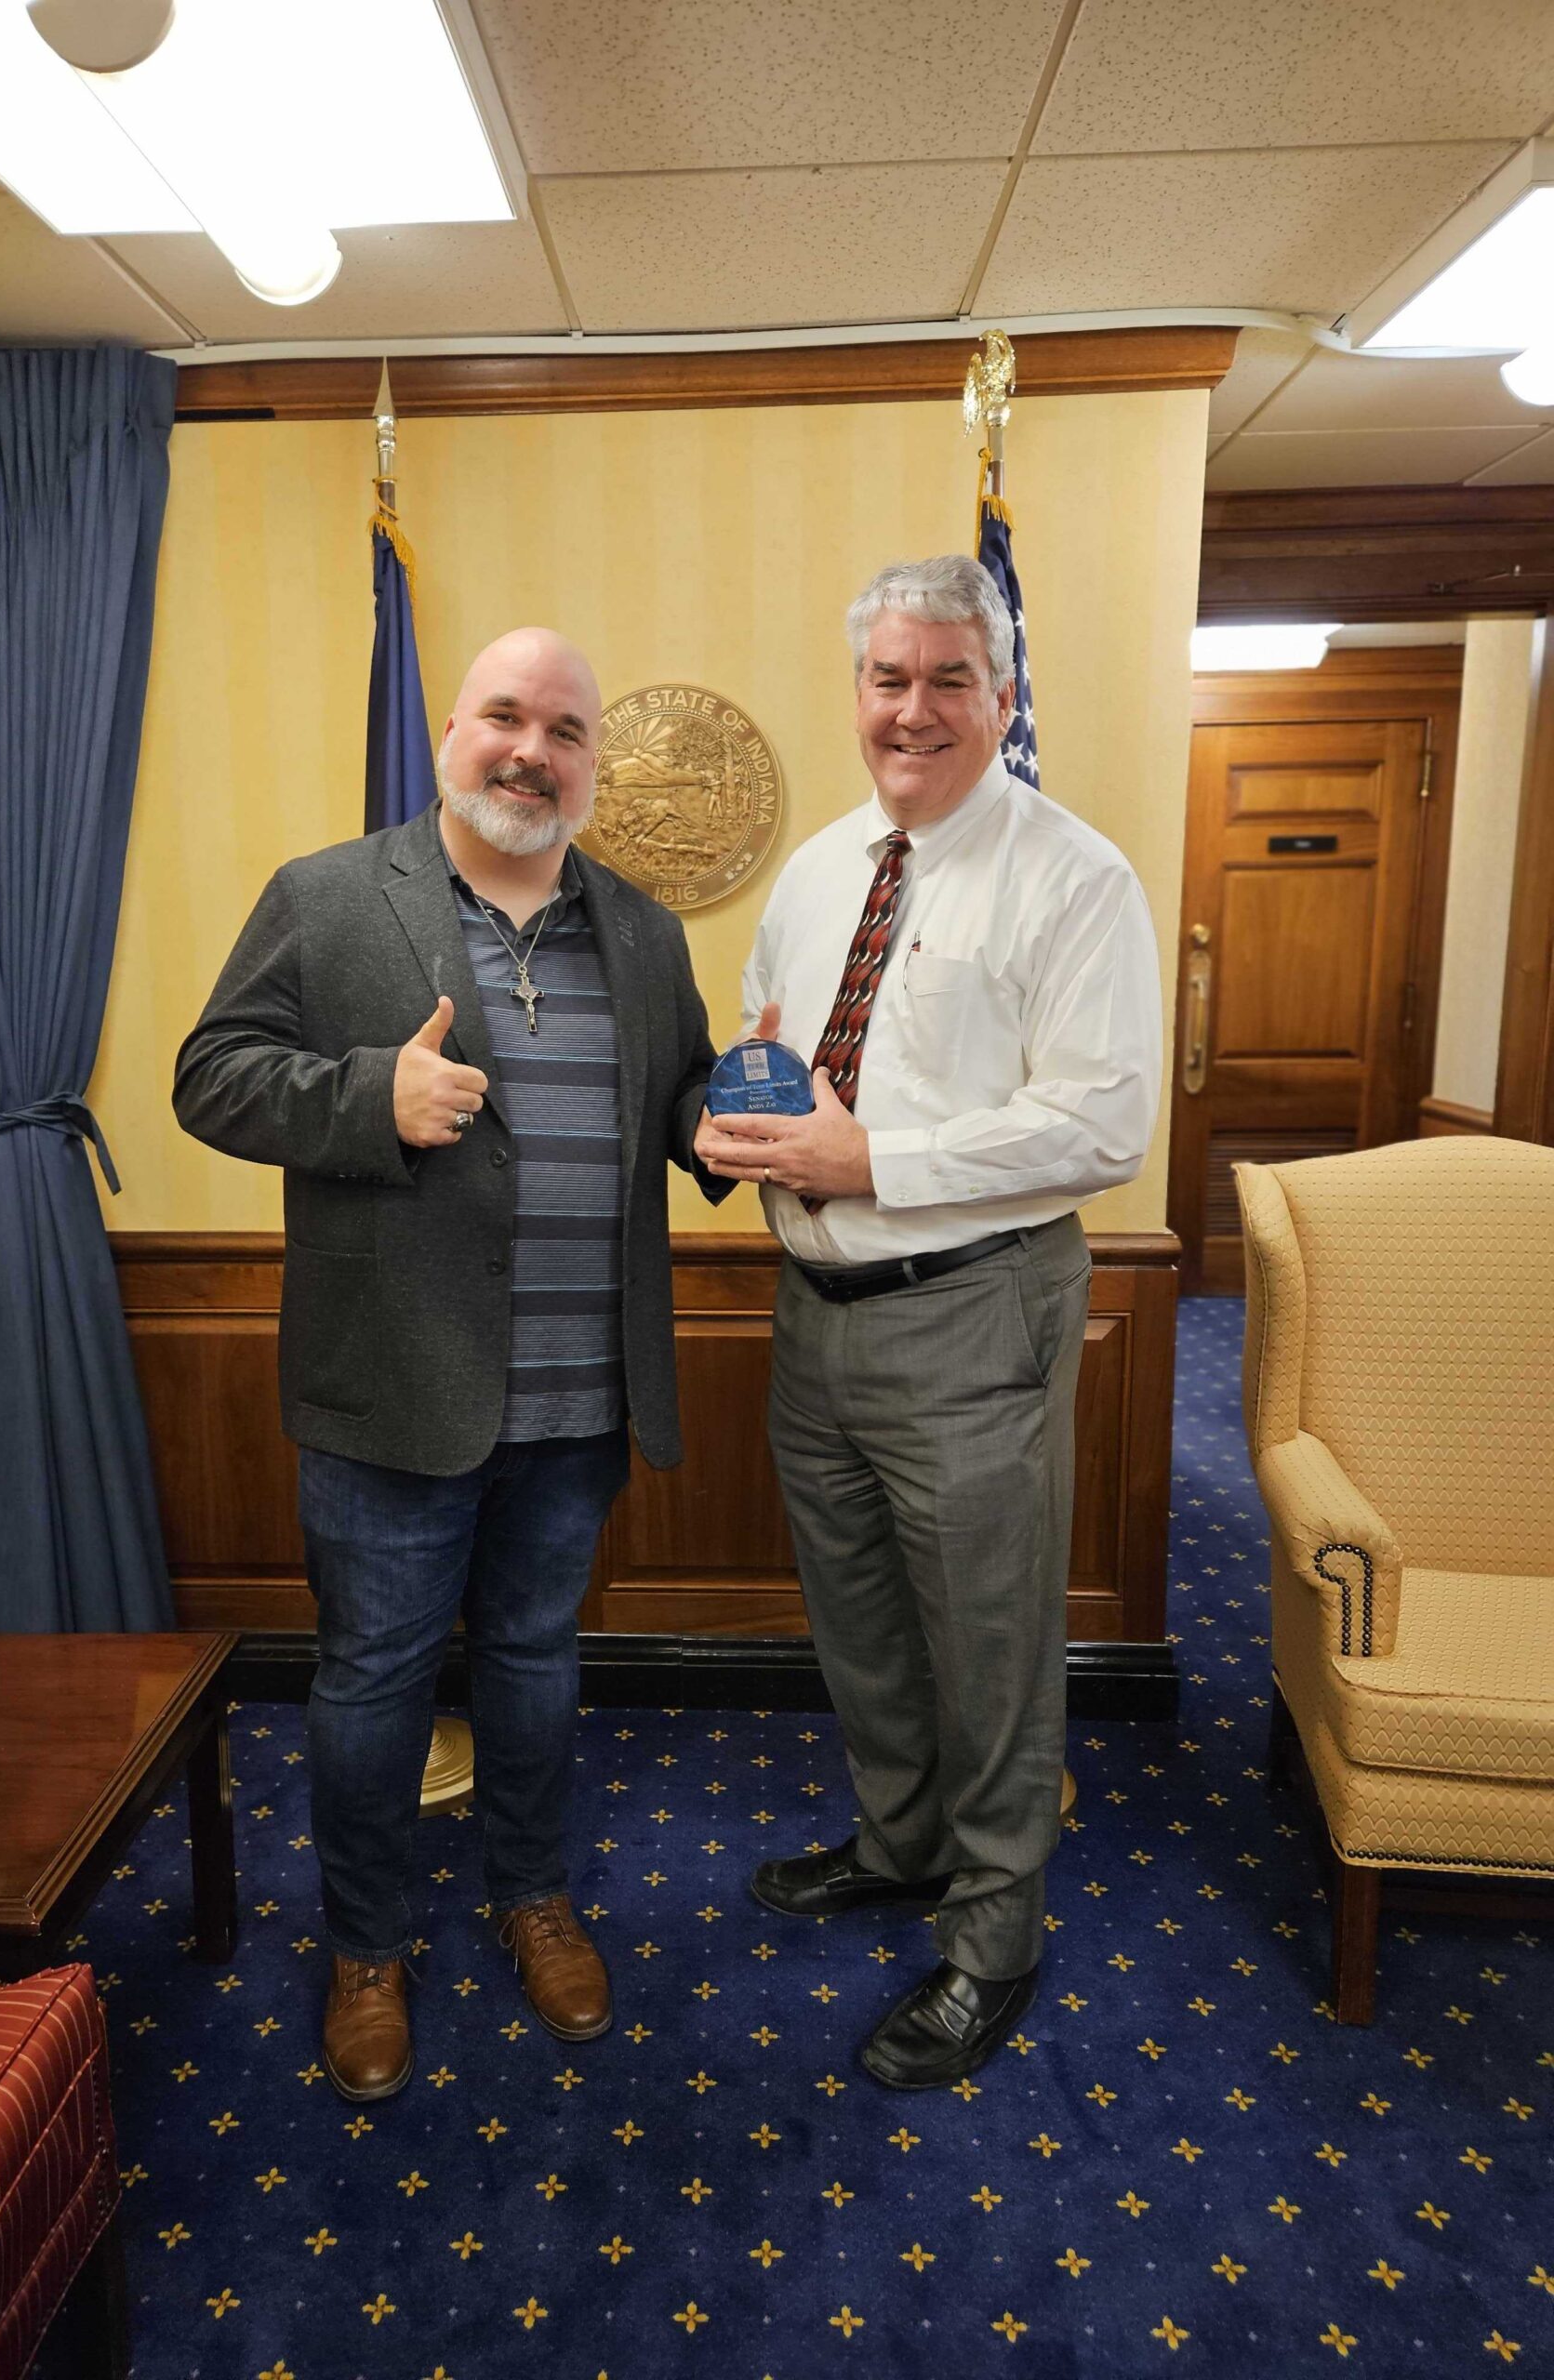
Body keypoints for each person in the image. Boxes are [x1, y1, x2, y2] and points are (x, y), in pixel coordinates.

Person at [176, 627, 726, 2102]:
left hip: (580, 1395)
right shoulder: (327, 896)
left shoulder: (644, 931)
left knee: (538, 1662)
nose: (531, 751)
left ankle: (532, 1895)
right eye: (505, 715)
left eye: (565, 730)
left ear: (593, 767)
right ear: (452, 735)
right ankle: (366, 1946)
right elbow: (209, 1078)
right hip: (392, 1389)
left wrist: (727, 1120)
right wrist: (373, 1095)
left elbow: (675, 1093)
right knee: (373, 1681)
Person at [696, 554, 1163, 2088]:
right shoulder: (820, 869)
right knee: (863, 1623)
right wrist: (738, 1120)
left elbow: (1102, 1123)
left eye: (950, 679)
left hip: (972, 1313)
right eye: (889, 679)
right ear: (859, 693)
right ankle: (899, 1845)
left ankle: (993, 1937)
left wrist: (875, 1162)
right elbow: (774, 1043)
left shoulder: (1075, 876)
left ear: (1002, 696)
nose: (915, 709)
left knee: (989, 1643)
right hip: (813, 1311)